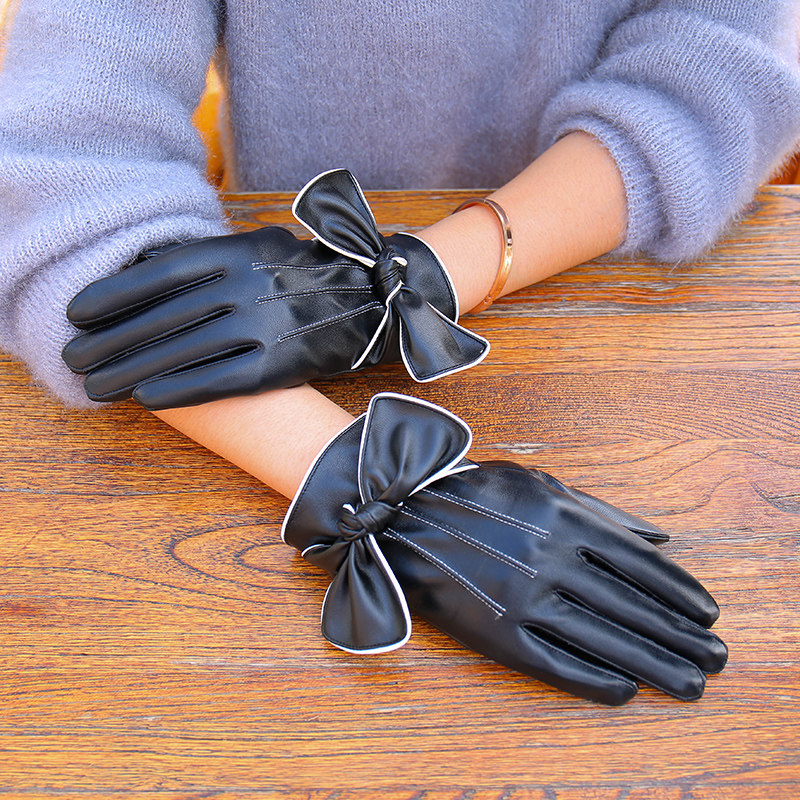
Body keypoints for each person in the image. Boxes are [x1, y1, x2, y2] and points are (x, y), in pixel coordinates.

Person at [0, 0, 797, 701]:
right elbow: (58, 179)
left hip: (616, 328)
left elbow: (714, 71)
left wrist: (410, 281)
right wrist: (377, 483)